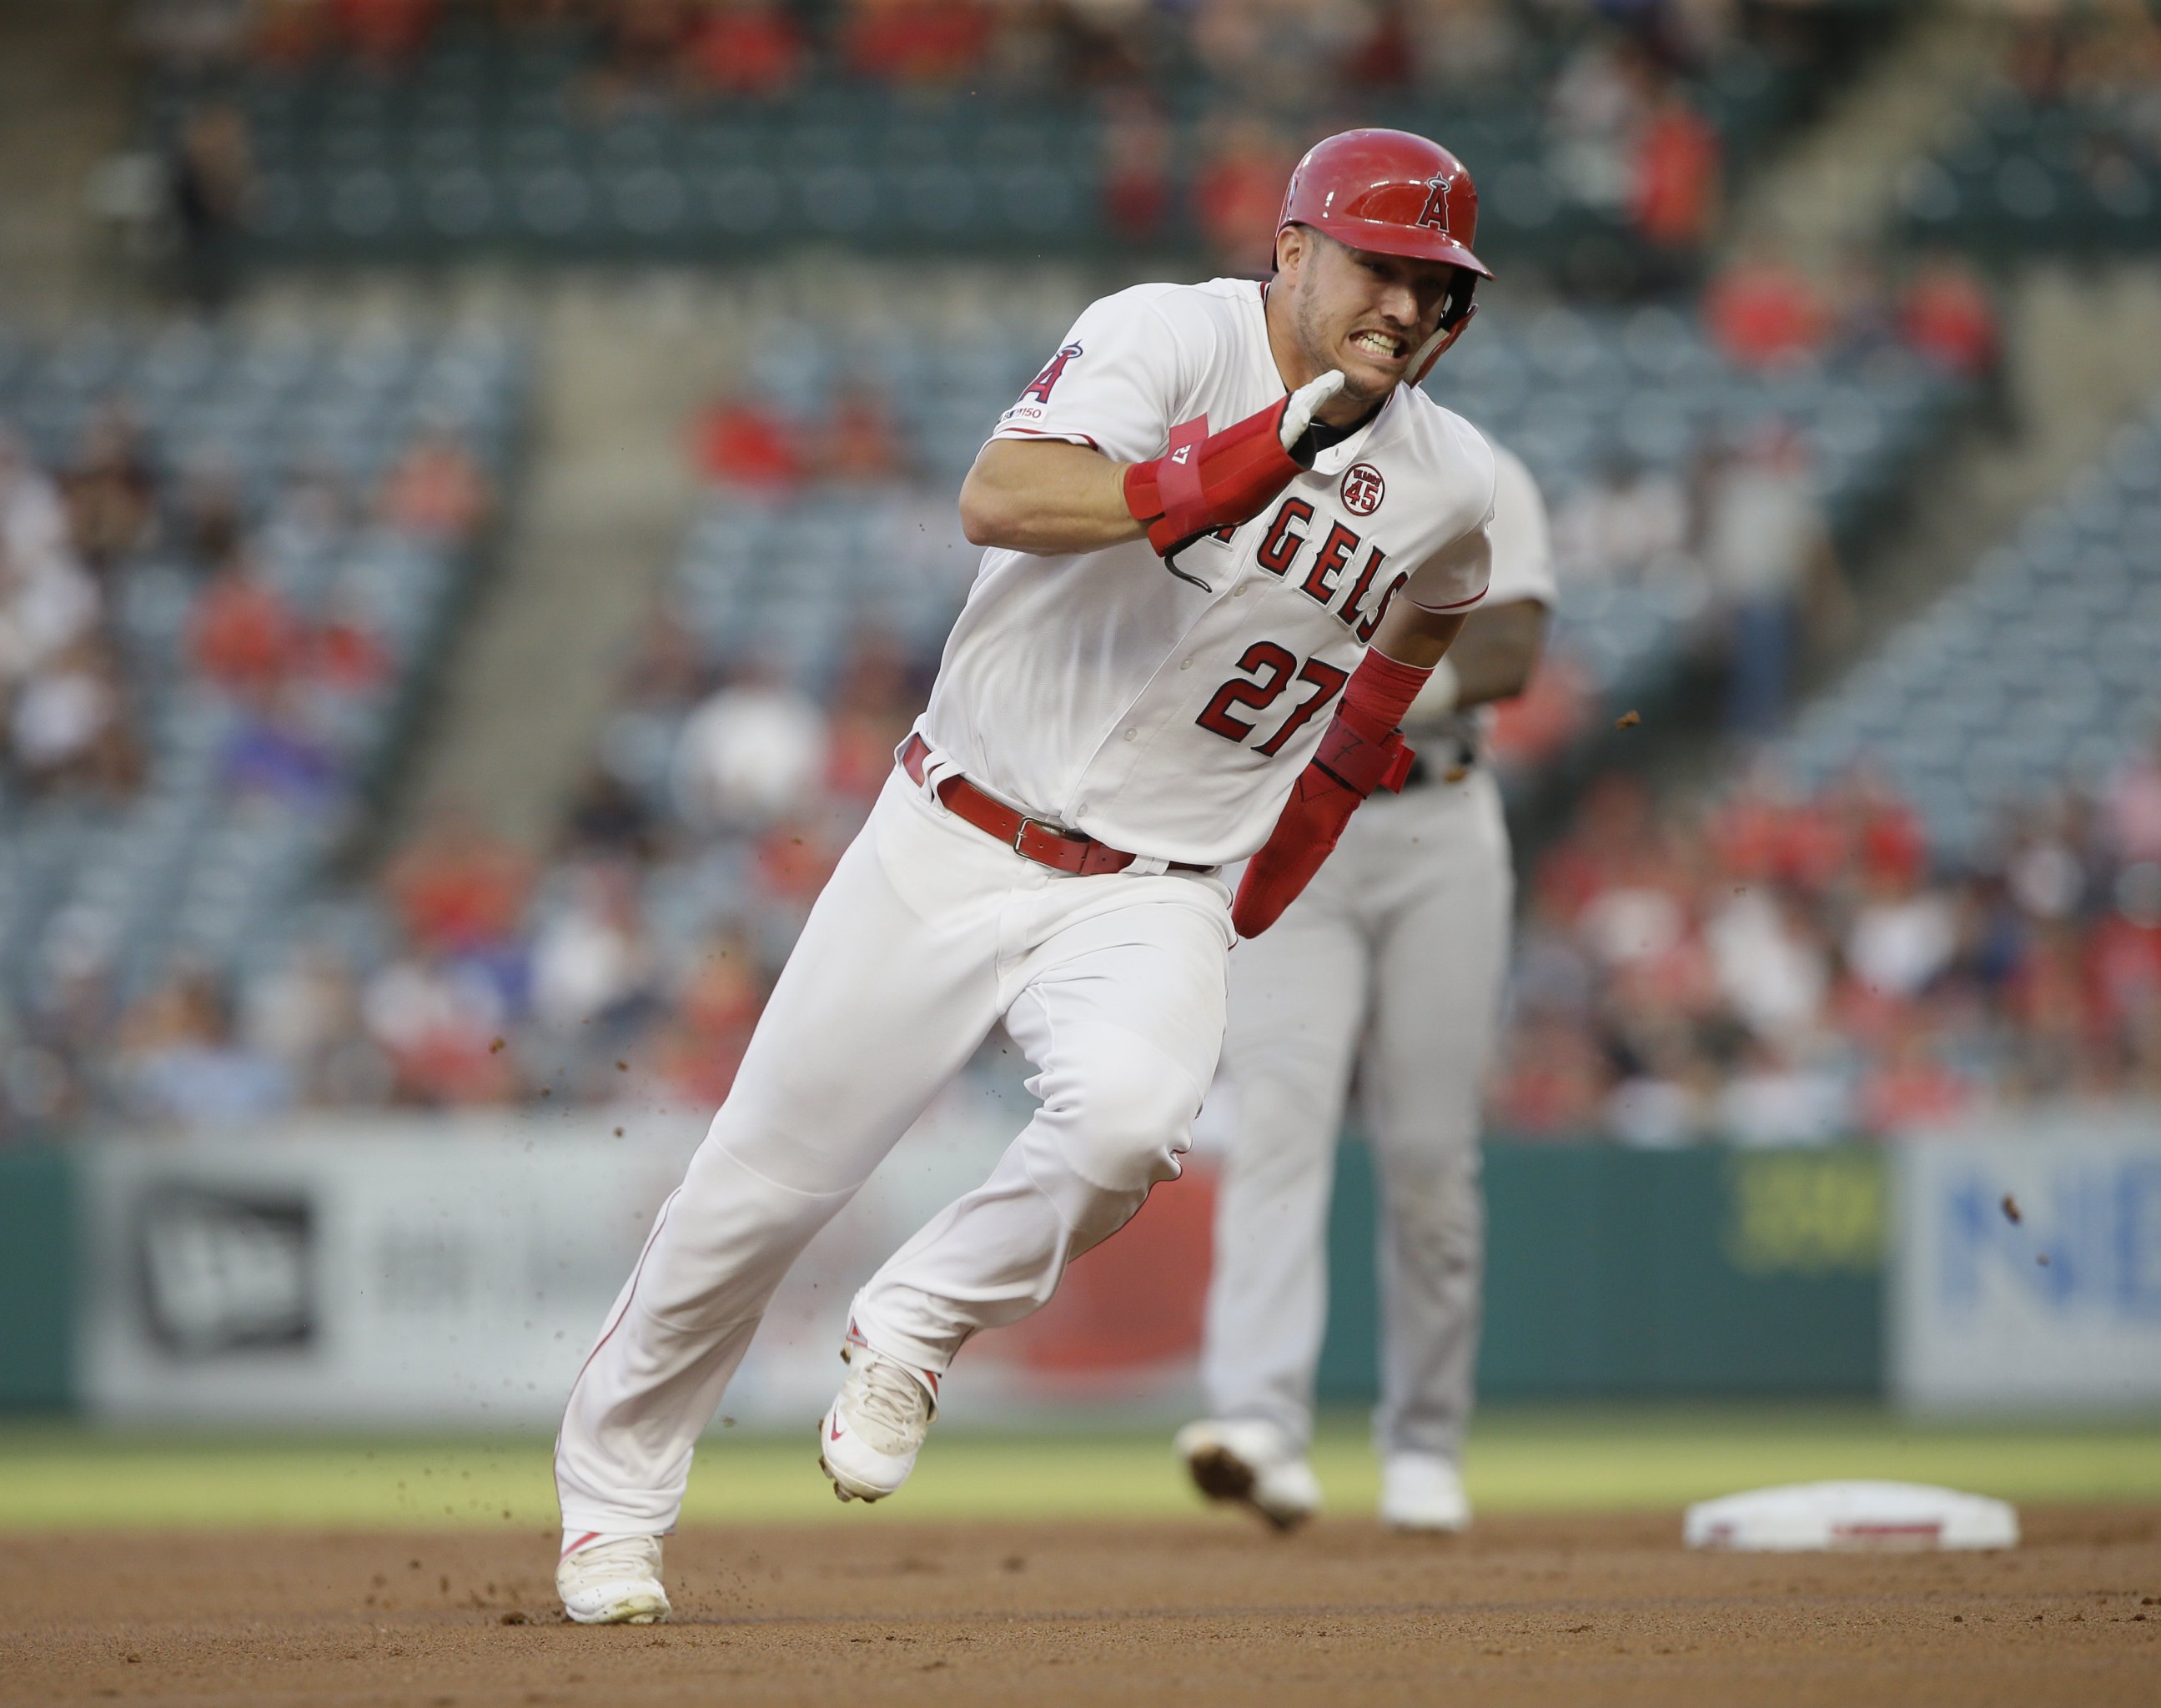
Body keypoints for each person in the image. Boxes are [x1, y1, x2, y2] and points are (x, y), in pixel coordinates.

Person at [552, 128, 1504, 1625]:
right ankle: (612, 1509)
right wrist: (1266, 447)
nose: (1405, 306)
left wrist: (1300, 836)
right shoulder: (1165, 334)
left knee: (1132, 1123)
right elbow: (1000, 497)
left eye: (1435, 286)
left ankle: (915, 1326)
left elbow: (1413, 652)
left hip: (1156, 880)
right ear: (1296, 249)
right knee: (750, 1200)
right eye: (1381, 266)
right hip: (954, 830)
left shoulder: (1449, 483)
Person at [1178, 436, 1555, 1534]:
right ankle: (1258, 1425)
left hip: (1437, 819)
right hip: (1298, 830)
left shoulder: (1479, 471)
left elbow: (1510, 651)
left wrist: (1356, 692)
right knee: (1277, 1130)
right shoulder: (1268, 462)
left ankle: (1427, 1443)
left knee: (1431, 1154)